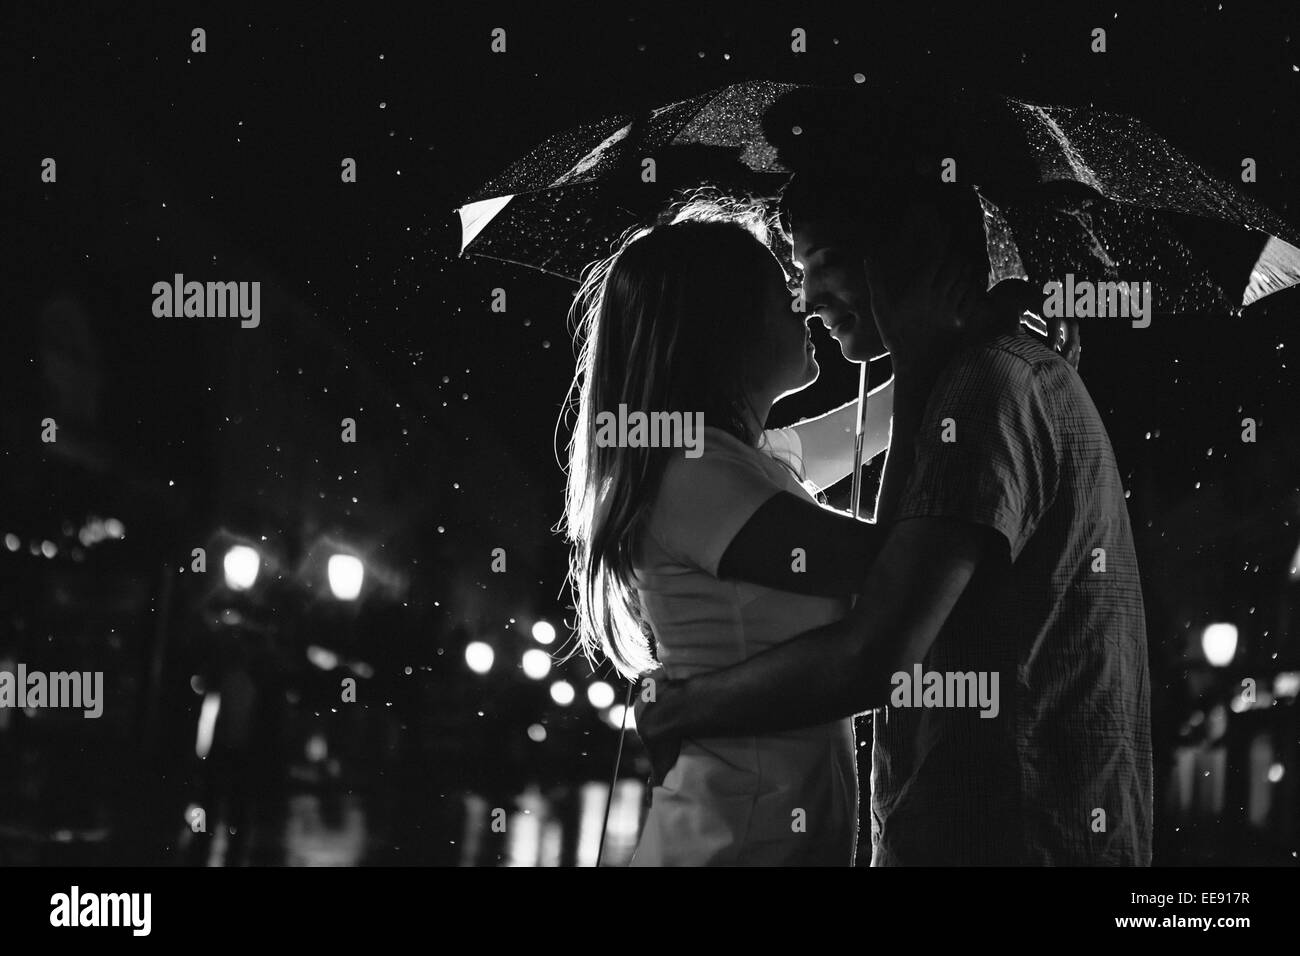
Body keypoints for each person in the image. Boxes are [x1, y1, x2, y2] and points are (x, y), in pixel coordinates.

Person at [635, 173, 1153, 866]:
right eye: (791, 276)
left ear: (915, 251)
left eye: (824, 261)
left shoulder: (981, 388)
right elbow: (890, 565)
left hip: (997, 836)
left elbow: (875, 634)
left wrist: (685, 706)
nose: (807, 300)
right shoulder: (715, 468)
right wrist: (930, 349)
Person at [562, 199, 906, 865]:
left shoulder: (744, 462)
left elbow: (891, 412)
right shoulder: (696, 475)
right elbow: (892, 564)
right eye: (781, 292)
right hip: (734, 844)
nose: (804, 306)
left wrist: (966, 337)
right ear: (721, 329)